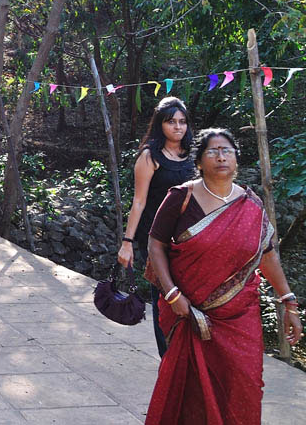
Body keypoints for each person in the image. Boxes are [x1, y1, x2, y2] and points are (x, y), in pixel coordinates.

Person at [145, 128, 301, 424]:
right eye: (212, 151)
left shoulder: (251, 205)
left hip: (241, 318)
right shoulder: (181, 197)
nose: (220, 156)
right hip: (190, 313)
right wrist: (172, 294)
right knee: (190, 391)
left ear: (236, 160)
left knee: (244, 385)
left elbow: (267, 256)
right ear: (200, 161)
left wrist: (289, 301)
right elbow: (155, 244)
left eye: (226, 151)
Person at [117, 96, 195, 356]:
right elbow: (138, 202)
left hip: (190, 239)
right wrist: (127, 243)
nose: (178, 127)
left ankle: (188, 356)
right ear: (160, 124)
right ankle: (168, 358)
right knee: (164, 296)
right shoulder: (150, 156)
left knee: (192, 294)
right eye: (171, 121)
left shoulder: (193, 155)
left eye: (182, 122)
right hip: (155, 239)